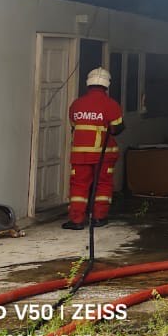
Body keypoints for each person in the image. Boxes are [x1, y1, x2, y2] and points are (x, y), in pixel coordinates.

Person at [63, 67, 124, 230]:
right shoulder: (111, 105)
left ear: (88, 84)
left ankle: (76, 220)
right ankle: (99, 218)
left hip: (80, 156)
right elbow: (117, 128)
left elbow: (74, 125)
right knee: (103, 185)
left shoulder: (76, 104)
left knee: (78, 186)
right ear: (107, 85)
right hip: (103, 156)